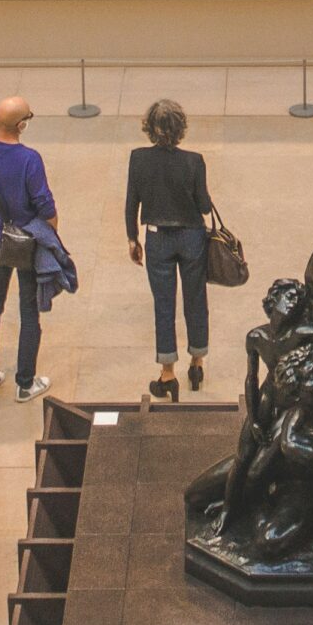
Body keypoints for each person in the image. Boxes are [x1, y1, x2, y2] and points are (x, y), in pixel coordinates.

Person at [0, 96, 59, 402]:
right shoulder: (30, 159)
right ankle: (25, 382)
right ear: (22, 125)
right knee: (29, 310)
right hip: (28, 244)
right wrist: (50, 235)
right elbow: (45, 205)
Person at [126, 98, 215, 402]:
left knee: (164, 306)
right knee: (195, 300)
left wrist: (132, 239)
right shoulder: (194, 161)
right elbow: (204, 205)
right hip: (192, 238)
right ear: (181, 129)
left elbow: (131, 203)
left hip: (157, 238)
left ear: (149, 128)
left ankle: (167, 374)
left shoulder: (138, 159)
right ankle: (197, 362)